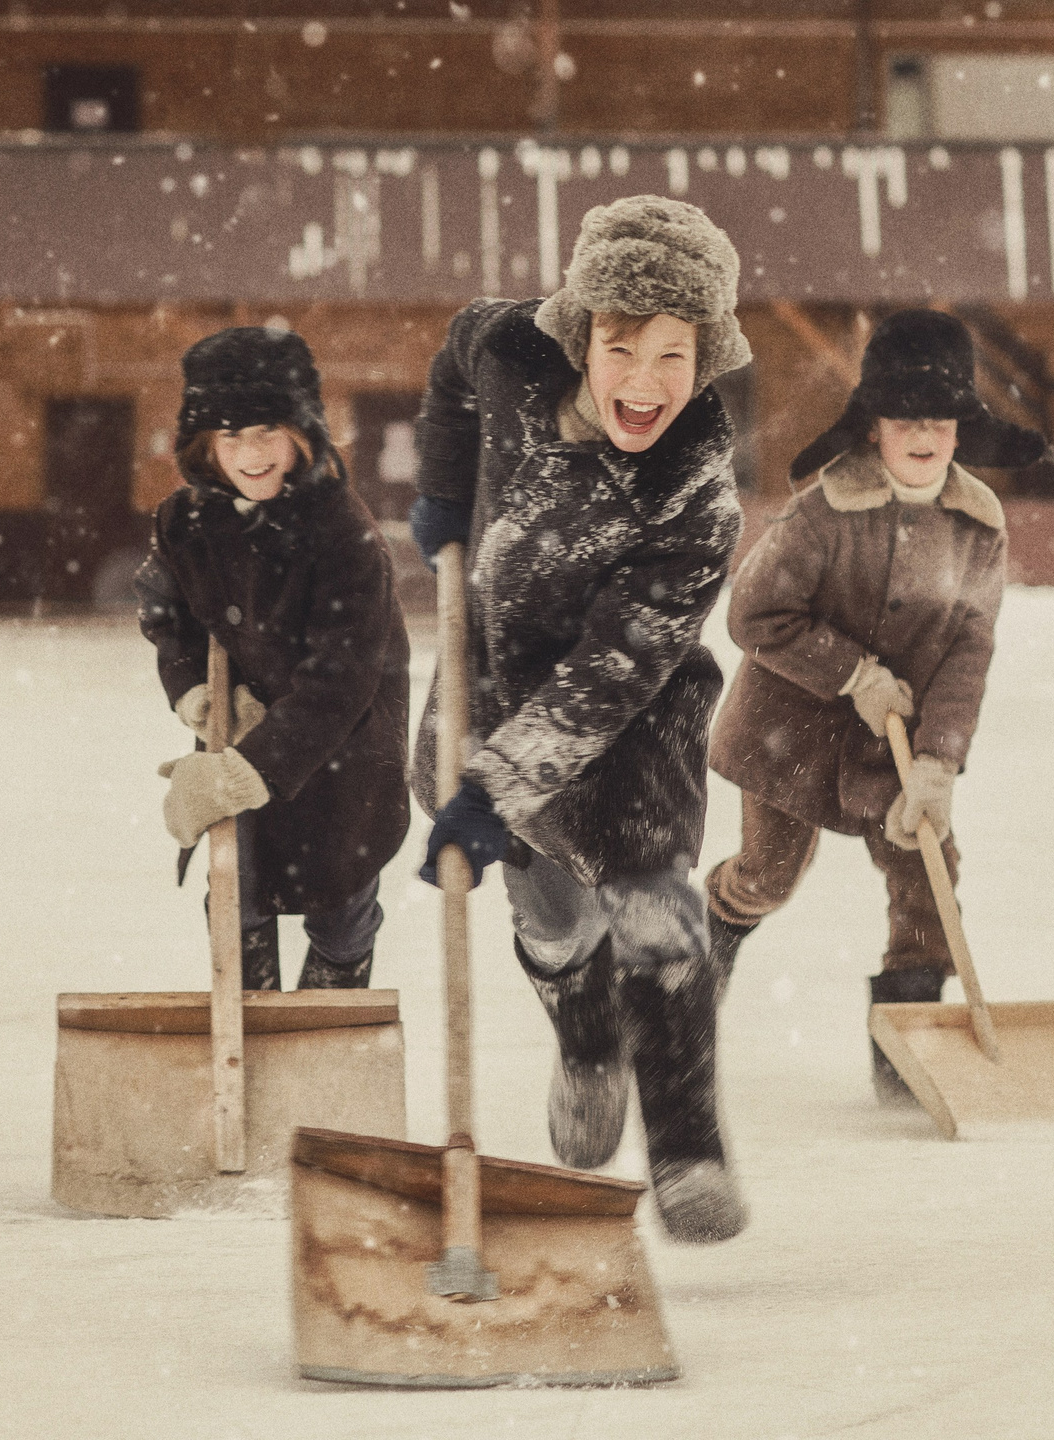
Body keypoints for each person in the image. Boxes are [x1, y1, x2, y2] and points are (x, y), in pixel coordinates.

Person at [407, 195, 751, 1243]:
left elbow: (613, 668)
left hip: (632, 712)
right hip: (494, 682)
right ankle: (588, 1046)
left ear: (706, 355)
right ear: (578, 334)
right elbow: (452, 361)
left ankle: (688, 1146)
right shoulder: (508, 349)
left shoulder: (693, 491)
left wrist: (493, 788)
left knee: (652, 906)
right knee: (553, 922)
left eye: (673, 354)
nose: (644, 382)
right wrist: (444, 481)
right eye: (620, 347)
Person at [701, 309, 1054, 1103]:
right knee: (768, 876)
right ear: (873, 427)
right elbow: (753, 616)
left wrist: (938, 762)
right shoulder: (822, 512)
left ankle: (906, 1068)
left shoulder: (978, 527)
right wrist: (852, 675)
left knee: (929, 884)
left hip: (896, 747)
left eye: (941, 418)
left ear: (962, 428)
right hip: (788, 732)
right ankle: (699, 959)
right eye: (906, 419)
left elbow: (968, 648)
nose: (924, 434)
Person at [137, 325, 410, 990]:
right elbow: (166, 614)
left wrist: (244, 772)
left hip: (345, 755)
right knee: (238, 895)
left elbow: (339, 681)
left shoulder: (344, 536)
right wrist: (195, 693)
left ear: (301, 434)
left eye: (267, 431)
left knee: (339, 906)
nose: (252, 453)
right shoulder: (184, 523)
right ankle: (248, 1023)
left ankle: (333, 1020)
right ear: (206, 445)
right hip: (238, 734)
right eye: (231, 436)